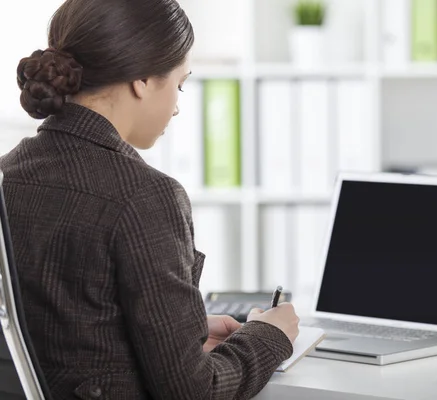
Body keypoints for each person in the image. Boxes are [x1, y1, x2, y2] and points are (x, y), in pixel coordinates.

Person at [0, 0, 300, 398]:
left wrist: (184, 330)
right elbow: (195, 392)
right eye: (179, 83)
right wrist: (269, 336)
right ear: (141, 80)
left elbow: (66, 332)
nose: (176, 106)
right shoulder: (144, 195)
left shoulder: (10, 171)